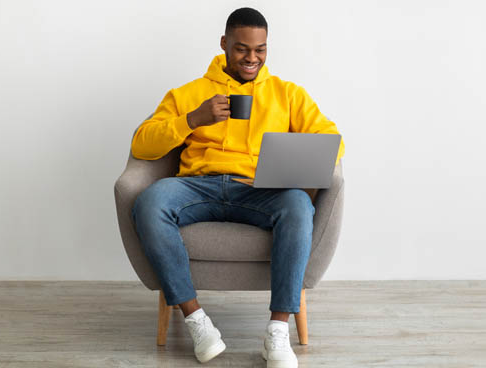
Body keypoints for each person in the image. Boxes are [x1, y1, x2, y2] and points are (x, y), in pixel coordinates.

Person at [129, 7, 344, 368]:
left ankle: (277, 330)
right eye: (243, 48)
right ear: (225, 43)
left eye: (260, 50)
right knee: (149, 202)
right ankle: (196, 319)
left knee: (297, 206)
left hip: (258, 190)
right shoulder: (189, 93)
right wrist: (193, 119)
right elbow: (142, 144)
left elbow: (333, 142)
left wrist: (287, 161)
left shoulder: (287, 94)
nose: (252, 58)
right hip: (198, 186)